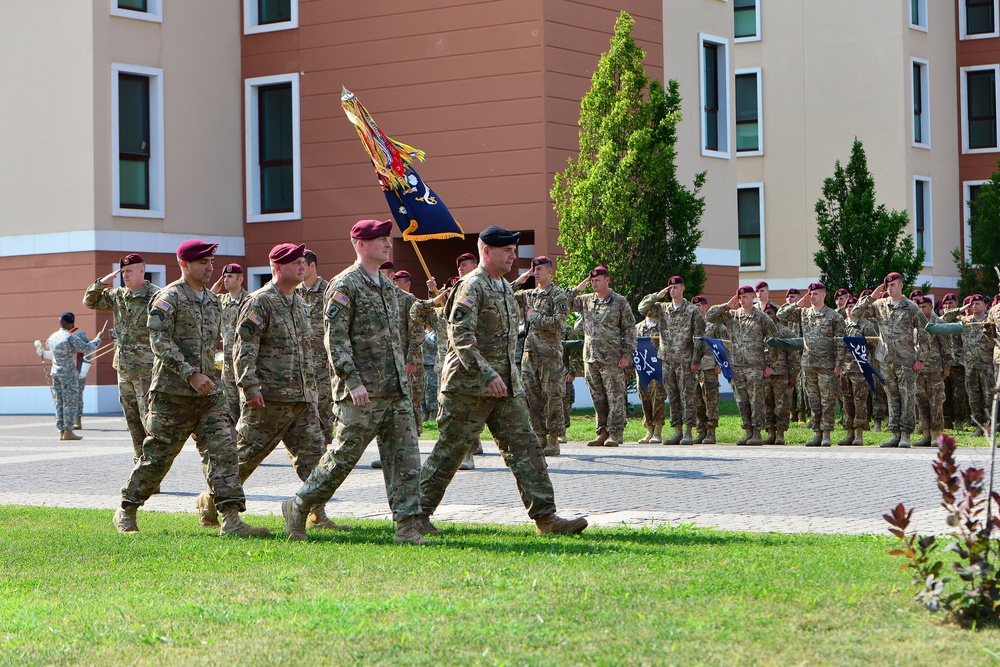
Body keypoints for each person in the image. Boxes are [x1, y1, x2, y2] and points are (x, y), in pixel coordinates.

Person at [416, 226, 588, 535]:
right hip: (468, 388)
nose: (513, 255)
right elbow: (461, 337)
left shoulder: (504, 288)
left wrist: (506, 377)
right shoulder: (472, 286)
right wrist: (487, 373)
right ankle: (414, 517)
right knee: (450, 453)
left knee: (527, 449)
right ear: (486, 251)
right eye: (507, 250)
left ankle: (546, 519)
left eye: (513, 250)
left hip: (505, 388)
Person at [281, 220, 428, 544]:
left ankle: (406, 527)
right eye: (380, 240)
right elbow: (336, 340)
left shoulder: (388, 287)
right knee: (341, 459)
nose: (388, 244)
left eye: (387, 239)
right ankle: (299, 504)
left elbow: (410, 320)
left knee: (405, 460)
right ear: (361, 245)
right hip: (362, 392)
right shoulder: (345, 285)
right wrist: (353, 381)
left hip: (395, 390)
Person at [114, 239, 269, 536]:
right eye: (203, 262)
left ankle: (231, 519)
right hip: (173, 394)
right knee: (158, 455)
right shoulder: (168, 297)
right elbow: (159, 341)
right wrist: (190, 374)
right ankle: (127, 508)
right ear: (184, 264)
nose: (210, 268)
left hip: (208, 395)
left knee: (224, 452)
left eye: (211, 262)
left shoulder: (212, 301)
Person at [195, 244, 348, 532]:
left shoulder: (299, 303)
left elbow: (305, 350)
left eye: (303, 262)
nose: (302, 267)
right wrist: (249, 388)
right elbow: (244, 349)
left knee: (316, 461)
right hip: (268, 400)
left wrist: (312, 391)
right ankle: (211, 502)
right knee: (242, 461)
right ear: (277, 268)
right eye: (295, 263)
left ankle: (317, 512)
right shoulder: (260, 301)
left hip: (301, 400)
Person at [82, 253, 159, 460]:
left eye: (129, 271)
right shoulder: (118, 296)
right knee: (132, 419)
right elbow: (89, 301)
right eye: (123, 272)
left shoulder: (156, 295)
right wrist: (103, 282)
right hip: (124, 368)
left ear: (141, 271)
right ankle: (140, 462)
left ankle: (152, 466)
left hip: (147, 368)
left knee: (149, 419)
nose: (125, 275)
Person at [853, 272, 927, 448]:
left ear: (901, 285)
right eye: (887, 285)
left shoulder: (911, 307)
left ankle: (906, 435)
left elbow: (924, 332)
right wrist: (870, 298)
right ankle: (895, 433)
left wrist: (921, 358)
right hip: (885, 359)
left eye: (893, 285)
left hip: (906, 359)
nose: (889, 288)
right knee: (892, 396)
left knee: (907, 397)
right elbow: (856, 313)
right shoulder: (879, 305)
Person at [569, 267, 636, 447]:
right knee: (597, 397)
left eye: (597, 280)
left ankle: (615, 433)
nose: (593, 283)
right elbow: (563, 303)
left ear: (607, 280)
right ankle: (602, 432)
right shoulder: (586, 301)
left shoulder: (619, 302)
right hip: (591, 358)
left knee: (615, 396)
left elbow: (629, 329)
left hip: (612, 358)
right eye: (591, 280)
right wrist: (579, 287)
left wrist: (626, 355)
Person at [638, 276, 705, 445]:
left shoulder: (692, 310)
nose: (672, 290)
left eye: (676, 287)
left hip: (685, 360)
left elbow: (699, 337)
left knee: (687, 396)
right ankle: (677, 431)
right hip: (667, 360)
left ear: (683, 288)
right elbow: (642, 309)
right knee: (673, 397)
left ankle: (689, 431)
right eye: (670, 288)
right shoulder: (663, 308)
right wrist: (656, 296)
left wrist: (696, 359)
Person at [778, 282, 846, 447]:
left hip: (827, 365)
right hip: (809, 363)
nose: (812, 297)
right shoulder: (804, 313)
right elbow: (781, 315)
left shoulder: (833, 316)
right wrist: (796, 304)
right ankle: (817, 433)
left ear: (823, 295)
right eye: (810, 294)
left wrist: (839, 364)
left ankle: (827, 434)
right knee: (813, 401)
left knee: (827, 400)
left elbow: (840, 342)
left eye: (815, 294)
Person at [706, 286, 777, 445]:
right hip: (737, 365)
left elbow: (773, 340)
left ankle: (757, 433)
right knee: (741, 400)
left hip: (755, 366)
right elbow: (710, 316)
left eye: (745, 296)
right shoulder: (732, 316)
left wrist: (769, 363)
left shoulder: (761, 317)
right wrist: (726, 305)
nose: (742, 299)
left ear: (753, 296)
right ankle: (748, 432)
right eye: (740, 297)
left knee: (756, 400)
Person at [515, 256, 571, 455]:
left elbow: (558, 322)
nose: (536, 272)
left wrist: (534, 317)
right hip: (530, 355)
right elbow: (504, 293)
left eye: (540, 269)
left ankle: (554, 440)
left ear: (550, 271)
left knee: (552, 397)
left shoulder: (558, 295)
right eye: (534, 269)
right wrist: (519, 281)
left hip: (549, 355)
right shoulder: (529, 294)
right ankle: (539, 436)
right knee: (532, 397)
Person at [42, 313, 102, 440]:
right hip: (68, 375)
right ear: (71, 323)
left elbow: (48, 347)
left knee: (59, 402)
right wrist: (98, 339)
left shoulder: (53, 336)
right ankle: (69, 431)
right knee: (70, 402)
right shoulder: (70, 337)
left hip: (56, 373)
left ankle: (61, 431)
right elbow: (87, 348)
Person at [296, 250, 333, 445]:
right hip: (301, 361)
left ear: (312, 266)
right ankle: (309, 446)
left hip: (322, 360)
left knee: (324, 405)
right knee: (304, 405)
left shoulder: (328, 290)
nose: (299, 268)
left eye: (303, 263)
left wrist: (332, 353)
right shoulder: (294, 291)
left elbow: (336, 324)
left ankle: (325, 447)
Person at [942, 294, 994, 436]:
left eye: (978, 303)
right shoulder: (965, 322)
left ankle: (990, 425)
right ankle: (979, 425)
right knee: (973, 397)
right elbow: (944, 321)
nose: (975, 306)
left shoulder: (990, 320)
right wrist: (960, 310)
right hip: (970, 366)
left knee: (989, 396)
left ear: (985, 305)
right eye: (973, 304)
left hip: (987, 365)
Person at [212, 263, 248, 423]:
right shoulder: (221, 300)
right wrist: (214, 289)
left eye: (230, 277)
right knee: (229, 408)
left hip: (244, 363)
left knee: (246, 407)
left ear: (240, 279)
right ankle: (234, 445)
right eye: (224, 277)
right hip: (227, 366)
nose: (225, 280)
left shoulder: (249, 301)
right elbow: (203, 300)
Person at [913, 296, 951, 447]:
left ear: (930, 307)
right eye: (919, 307)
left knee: (935, 402)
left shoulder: (938, 324)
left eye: (924, 307)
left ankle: (936, 434)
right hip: (919, 369)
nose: (922, 310)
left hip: (934, 368)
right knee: (921, 402)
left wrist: (947, 367)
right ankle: (926, 434)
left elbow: (946, 347)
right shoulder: (914, 324)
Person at [839, 296, 876, 445]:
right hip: (844, 370)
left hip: (859, 370)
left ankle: (859, 433)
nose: (850, 309)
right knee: (846, 401)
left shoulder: (864, 325)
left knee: (859, 401)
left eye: (853, 306)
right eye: (848, 306)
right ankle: (849, 432)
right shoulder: (841, 325)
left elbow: (873, 345)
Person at [692, 295, 725, 444]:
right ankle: (701, 431)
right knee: (697, 402)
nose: (697, 308)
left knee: (710, 401)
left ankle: (711, 432)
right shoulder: (690, 326)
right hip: (694, 369)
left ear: (705, 307)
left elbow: (724, 346)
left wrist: (721, 364)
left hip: (709, 367)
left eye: (699, 306)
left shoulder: (714, 325)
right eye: (694, 306)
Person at [761, 303, 794, 444]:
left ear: (776, 315)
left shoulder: (786, 333)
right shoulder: (760, 332)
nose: (768, 316)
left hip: (782, 374)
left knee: (782, 406)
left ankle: (780, 433)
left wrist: (793, 375)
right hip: (765, 375)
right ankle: (770, 433)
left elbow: (794, 356)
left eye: (770, 313)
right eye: (765, 313)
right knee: (767, 405)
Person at [938, 293, 969, 431]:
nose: (947, 307)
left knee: (959, 394)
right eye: (945, 305)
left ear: (956, 304)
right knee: (944, 393)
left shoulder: (963, 321)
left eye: (950, 304)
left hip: (958, 363)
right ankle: (947, 420)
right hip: (943, 363)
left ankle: (959, 421)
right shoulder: (941, 321)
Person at [633, 312, 665, 444]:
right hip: (642, 368)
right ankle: (649, 429)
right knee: (644, 396)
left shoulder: (663, 326)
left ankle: (657, 431)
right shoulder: (637, 328)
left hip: (658, 367)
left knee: (658, 397)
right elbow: (631, 348)